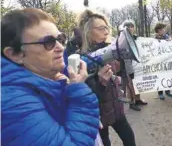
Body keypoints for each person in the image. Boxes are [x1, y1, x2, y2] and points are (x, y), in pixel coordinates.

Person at [1, 8, 100, 146]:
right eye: (48, 42)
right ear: (15, 55)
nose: (61, 47)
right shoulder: (12, 104)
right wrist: (80, 99)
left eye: (60, 39)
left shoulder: (47, 80)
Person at [76, 9, 136, 146]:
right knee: (105, 142)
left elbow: (118, 71)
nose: (107, 32)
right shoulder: (81, 59)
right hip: (98, 114)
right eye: (101, 28)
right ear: (88, 32)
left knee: (129, 138)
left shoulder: (110, 49)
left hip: (115, 106)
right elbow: (85, 96)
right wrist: (101, 83)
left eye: (107, 28)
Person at [121, 20, 148, 111]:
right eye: (130, 27)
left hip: (136, 65)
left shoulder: (132, 37)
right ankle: (132, 102)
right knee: (130, 85)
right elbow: (126, 56)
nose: (132, 28)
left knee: (137, 83)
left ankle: (137, 98)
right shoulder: (124, 39)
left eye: (132, 26)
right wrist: (130, 71)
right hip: (128, 67)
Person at [154, 23, 172, 100]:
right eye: (163, 29)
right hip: (159, 61)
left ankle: (167, 91)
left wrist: (170, 42)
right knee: (160, 77)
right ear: (159, 30)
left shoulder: (166, 37)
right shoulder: (155, 39)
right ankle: (160, 93)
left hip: (167, 60)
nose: (164, 30)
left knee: (168, 76)